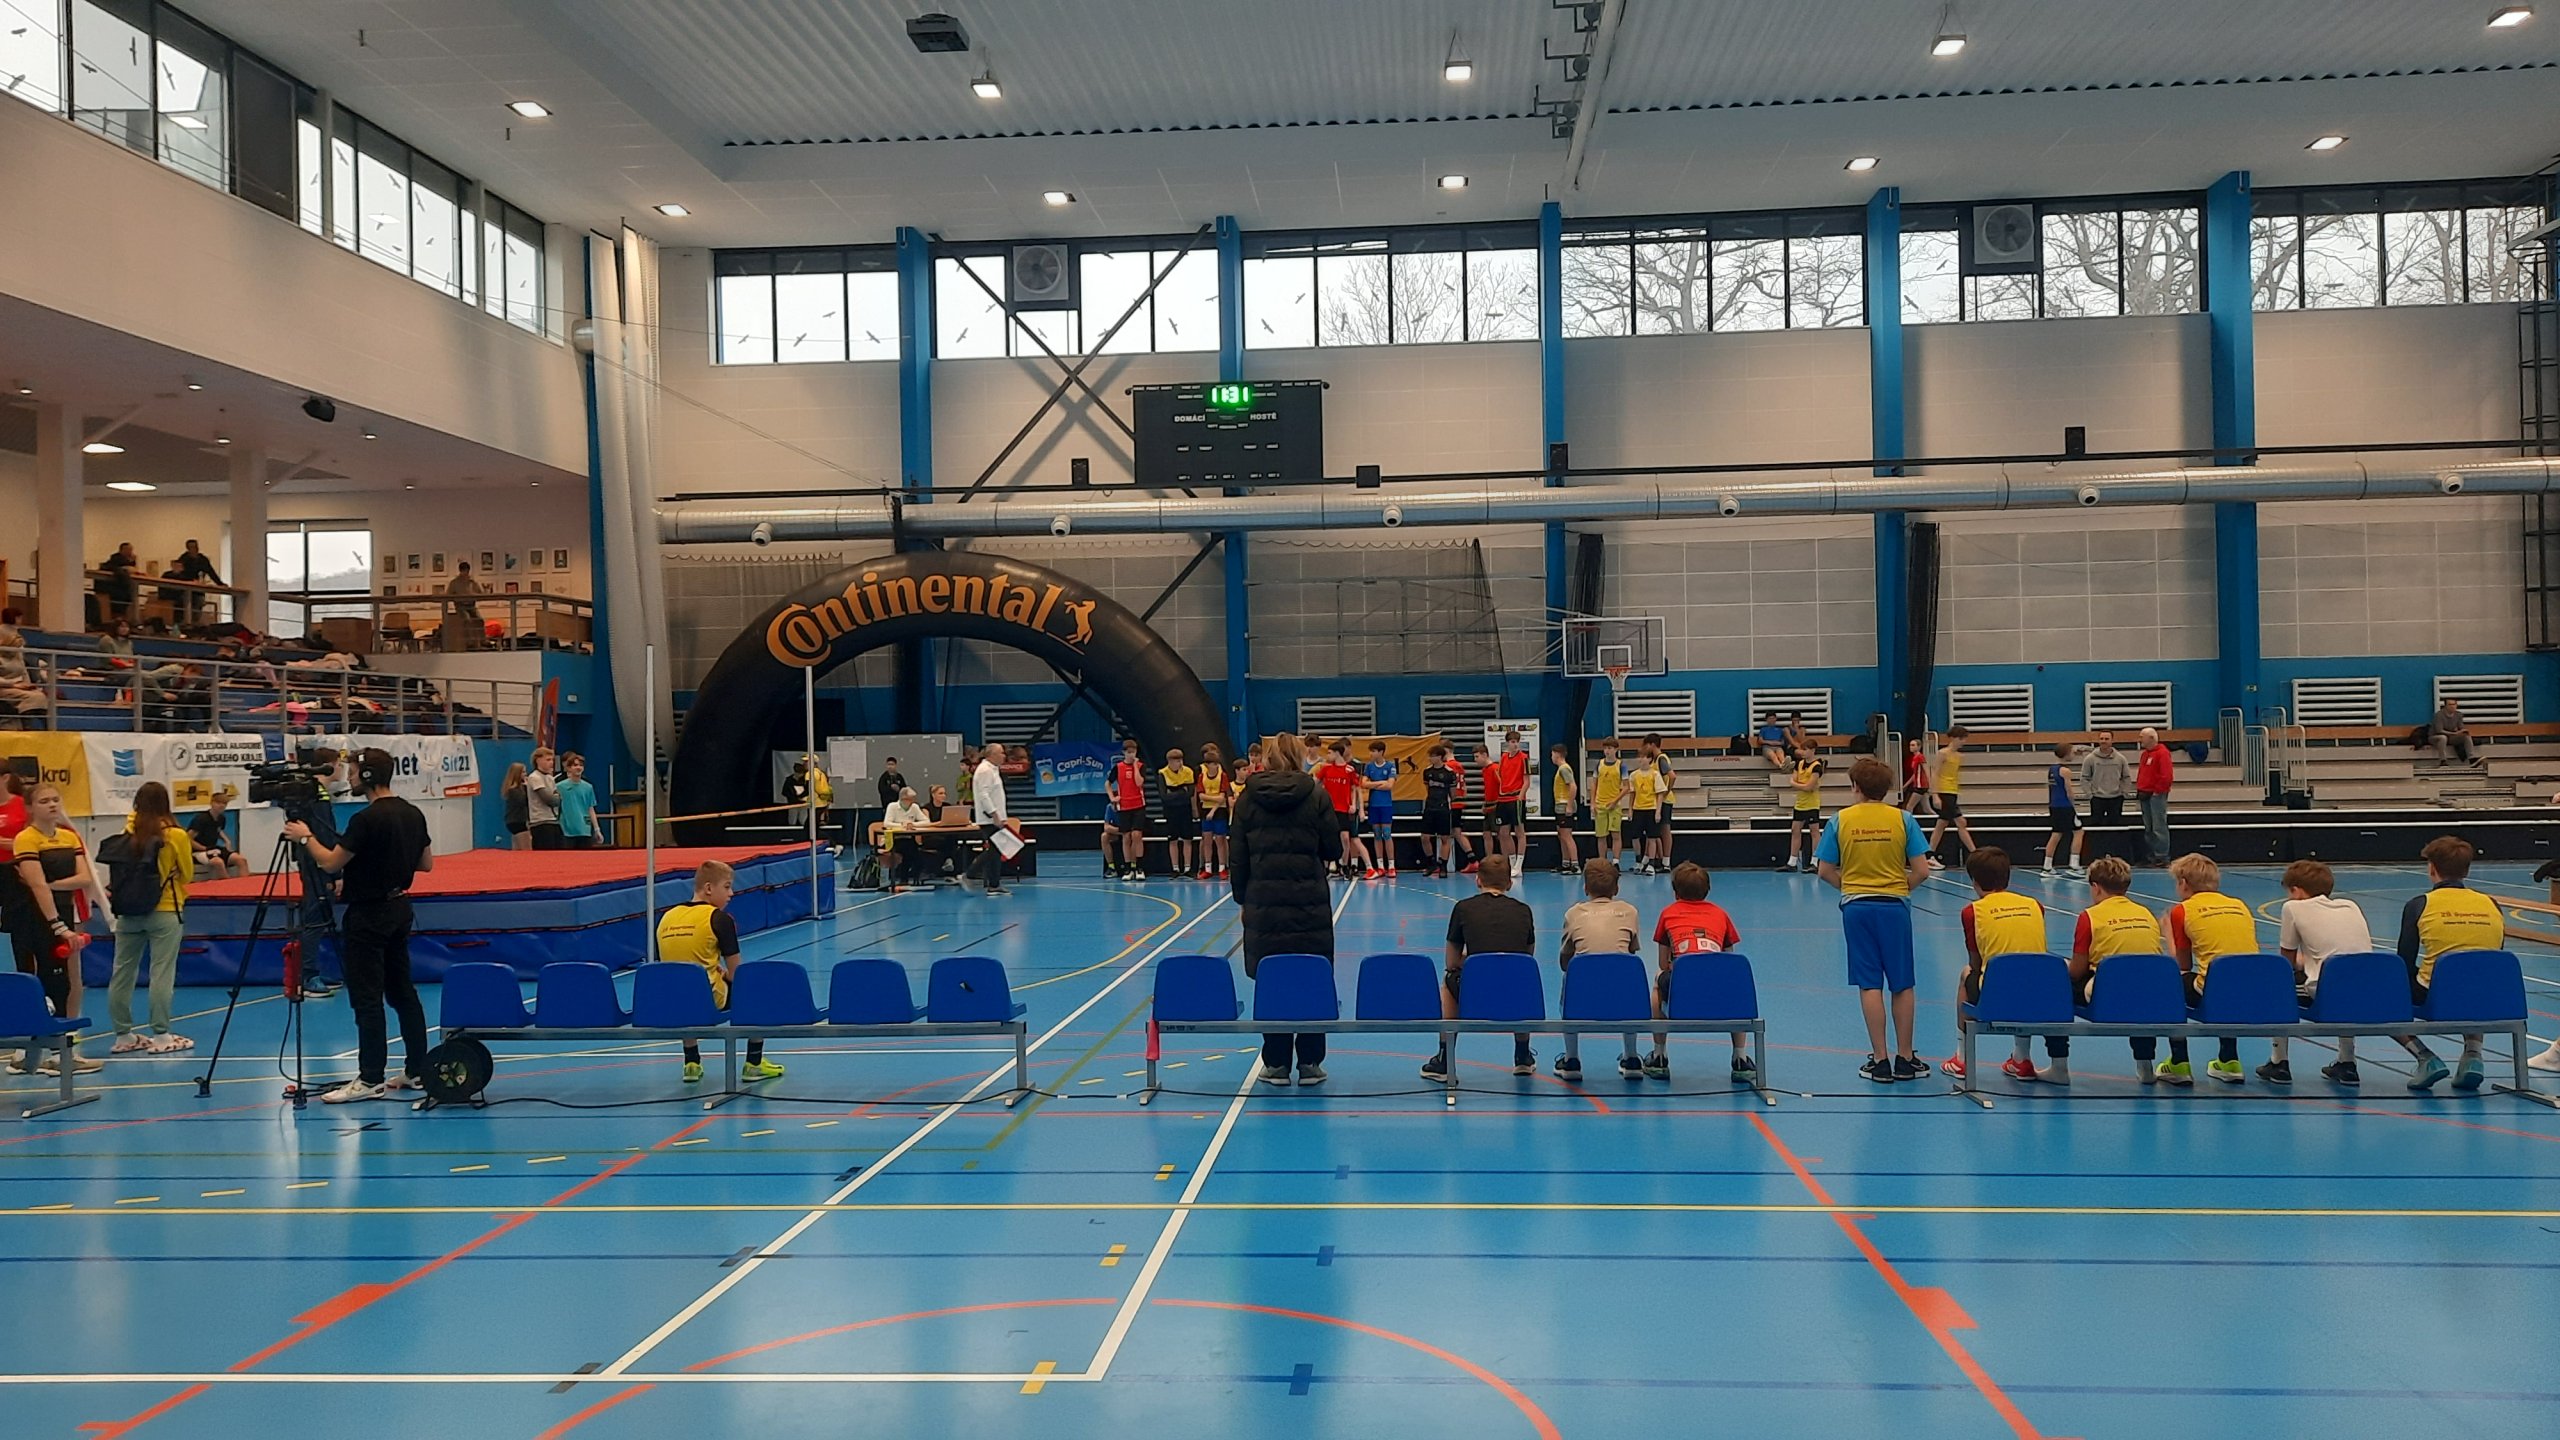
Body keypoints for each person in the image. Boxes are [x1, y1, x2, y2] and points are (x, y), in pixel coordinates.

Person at [285, 748, 433, 1104]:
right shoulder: (412, 813)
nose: (349, 778)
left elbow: (330, 862)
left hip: (368, 915)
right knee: (403, 992)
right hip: (399, 907)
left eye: (352, 772)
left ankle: (370, 1078)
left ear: (367, 775)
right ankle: (418, 1069)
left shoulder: (366, 819)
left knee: (367, 999)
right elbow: (425, 863)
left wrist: (305, 837)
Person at [1813, 756, 1932, 1084]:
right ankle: (1905, 1058)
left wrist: (1851, 887)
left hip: (1857, 908)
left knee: (1869, 983)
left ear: (1856, 787)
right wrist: (1899, 888)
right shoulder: (1903, 819)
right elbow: (1922, 870)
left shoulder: (1840, 820)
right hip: (1894, 907)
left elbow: (1824, 870)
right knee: (1902, 982)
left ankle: (1880, 1060)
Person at [1230, 732, 1340, 1084]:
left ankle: (1276, 1063)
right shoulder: (1317, 794)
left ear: (1267, 758)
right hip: (1309, 901)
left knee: (1271, 978)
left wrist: (1242, 899)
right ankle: (1310, 1062)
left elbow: (1237, 857)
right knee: (1311, 976)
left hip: (1263, 901)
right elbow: (1333, 849)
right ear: (1299, 755)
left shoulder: (1247, 799)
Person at [2391, 836, 2506, 1091]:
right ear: (2467, 870)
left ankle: (2424, 1056)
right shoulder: (2491, 903)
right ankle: (2473, 1054)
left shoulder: (2420, 904)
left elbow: (2403, 962)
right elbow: (2495, 953)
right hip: (2489, 993)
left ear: (2432, 868)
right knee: (2473, 973)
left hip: (2439, 994)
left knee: (2380, 994)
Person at [1942, 848, 2062, 1084]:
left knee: (1966, 974)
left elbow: (1975, 962)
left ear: (1974, 881)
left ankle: (1962, 1058)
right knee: (2026, 973)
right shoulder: (2035, 905)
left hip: (1998, 993)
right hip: (2039, 992)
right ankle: (2022, 1058)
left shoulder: (1972, 912)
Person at [6, 782, 103, 1072]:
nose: (52, 805)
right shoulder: (26, 839)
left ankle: (60, 1055)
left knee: (63, 984)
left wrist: (53, 887)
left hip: (61, 912)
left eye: (55, 800)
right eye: (44, 801)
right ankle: (25, 1054)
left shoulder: (69, 837)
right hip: (32, 919)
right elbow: (36, 886)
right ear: (29, 808)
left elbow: (83, 878)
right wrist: (57, 926)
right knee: (35, 982)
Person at [661, 859, 785, 1086]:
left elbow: (671, 966)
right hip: (709, 1000)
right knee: (756, 989)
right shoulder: (720, 919)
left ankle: (691, 1063)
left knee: (683, 987)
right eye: (727, 887)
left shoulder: (666, 917)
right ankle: (754, 1063)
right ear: (709, 888)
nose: (732, 893)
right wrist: (726, 975)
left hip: (671, 1002)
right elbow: (739, 976)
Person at [1423, 854, 1535, 1082]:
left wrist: (1474, 959)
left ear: (1478, 880)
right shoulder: (1524, 911)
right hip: (1513, 991)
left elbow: (1451, 962)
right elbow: (1526, 957)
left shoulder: (1463, 909)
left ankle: (1444, 1058)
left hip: (1475, 991)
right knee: (1521, 976)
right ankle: (1523, 1055)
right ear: (1509, 883)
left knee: (1448, 981)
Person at [2068, 857, 2174, 1083]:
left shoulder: (2089, 917)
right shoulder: (2146, 913)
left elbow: (2076, 971)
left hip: (2109, 995)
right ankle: (2145, 1065)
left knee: (2058, 985)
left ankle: (2056, 1059)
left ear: (2096, 887)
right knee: (2138, 986)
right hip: (2151, 994)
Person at [104, 782, 192, 1053]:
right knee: (161, 972)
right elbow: (187, 874)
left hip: (128, 911)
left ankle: (123, 1034)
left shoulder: (127, 832)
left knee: (122, 973)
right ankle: (161, 1035)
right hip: (165, 910)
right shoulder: (175, 835)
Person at [2269, 859, 2371, 1086]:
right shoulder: (2350, 906)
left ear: (2296, 891)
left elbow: (2286, 963)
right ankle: (2347, 1061)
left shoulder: (2292, 908)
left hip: (2325, 990)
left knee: (2278, 985)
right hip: (2364, 987)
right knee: (2344, 982)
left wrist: (2299, 963)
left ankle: (2279, 1062)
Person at [1650, 861, 1755, 1082]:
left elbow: (1662, 963)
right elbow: (1728, 959)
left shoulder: (1668, 914)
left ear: (1675, 892)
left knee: (1658, 981)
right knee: (1736, 986)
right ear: (1707, 890)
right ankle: (1740, 1057)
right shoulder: (1721, 914)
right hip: (1719, 988)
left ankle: (1659, 1055)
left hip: (1683, 986)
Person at [2164, 853, 2260, 1085]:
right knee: (2228, 978)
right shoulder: (2239, 905)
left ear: (2183, 883)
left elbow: (2182, 965)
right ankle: (2229, 1060)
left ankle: (2178, 1062)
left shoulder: (2182, 910)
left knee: (2169, 984)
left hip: (2216, 991)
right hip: (2253, 989)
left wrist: (2167, 934)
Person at [1553, 858, 1640, 1082]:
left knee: (1569, 978)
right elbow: (1631, 952)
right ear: (1616, 888)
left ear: (1585, 887)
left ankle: (1571, 1059)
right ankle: (1631, 1057)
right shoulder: (1630, 911)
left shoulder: (1573, 913)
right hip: (1621, 991)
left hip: (1583, 993)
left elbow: (1565, 960)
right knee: (1628, 980)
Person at [1924, 727, 1978, 869]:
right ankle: (1975, 854)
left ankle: (1929, 855)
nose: (1963, 742)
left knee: (1942, 824)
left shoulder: (1959, 756)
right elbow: (1935, 773)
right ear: (1954, 738)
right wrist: (1935, 795)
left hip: (1952, 792)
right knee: (1960, 822)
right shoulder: (1942, 753)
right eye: (1961, 739)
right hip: (1944, 792)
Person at [1317, 740, 1369, 880]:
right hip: (1328, 809)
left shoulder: (1349, 770)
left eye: (1329, 753)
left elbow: (1354, 788)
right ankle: (1327, 867)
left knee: (1345, 838)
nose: (1327, 755)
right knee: (1327, 838)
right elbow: (1315, 783)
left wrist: (1354, 805)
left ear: (1337, 753)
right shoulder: (1326, 769)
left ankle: (1344, 866)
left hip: (1343, 809)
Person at [968, 743, 1014, 896]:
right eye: (1001, 753)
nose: (1004, 756)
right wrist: (994, 814)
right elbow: (984, 795)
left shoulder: (993, 770)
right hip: (989, 818)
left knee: (996, 851)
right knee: (994, 850)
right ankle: (970, 874)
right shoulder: (985, 771)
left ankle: (994, 884)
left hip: (995, 817)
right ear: (991, 755)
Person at [2079, 731, 2134, 852]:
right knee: (2096, 828)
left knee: (2115, 828)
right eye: (2102, 738)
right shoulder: (2090, 759)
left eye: (2106, 739)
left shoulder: (2121, 759)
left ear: (2112, 741)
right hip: (2097, 799)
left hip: (2116, 798)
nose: (2104, 741)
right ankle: (2096, 851)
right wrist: (2089, 794)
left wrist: (2124, 793)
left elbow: (2126, 777)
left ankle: (2114, 852)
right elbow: (2084, 778)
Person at [1104, 738, 1149, 881]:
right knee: (1126, 836)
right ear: (1124, 752)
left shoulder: (1141, 766)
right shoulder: (1118, 767)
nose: (1131, 755)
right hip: (1124, 806)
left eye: (1133, 752)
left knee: (1137, 835)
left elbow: (1139, 782)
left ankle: (1139, 867)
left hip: (1138, 805)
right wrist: (1112, 797)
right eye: (1128, 752)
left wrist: (1135, 766)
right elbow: (1108, 783)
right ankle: (1128, 868)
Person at [2041, 741, 2086, 878]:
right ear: (2066, 754)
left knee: (2056, 834)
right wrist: (2073, 804)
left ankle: (2047, 866)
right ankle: (2074, 865)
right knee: (2079, 832)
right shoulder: (2065, 771)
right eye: (2072, 752)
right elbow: (2069, 791)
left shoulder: (2052, 769)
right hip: (2065, 806)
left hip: (2054, 806)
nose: (2073, 755)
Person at [1778, 744, 1824, 873]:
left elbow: (1808, 787)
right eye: (1802, 749)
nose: (1803, 752)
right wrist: (1802, 785)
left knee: (1814, 832)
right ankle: (1792, 862)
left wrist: (1797, 784)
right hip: (1800, 803)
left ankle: (1815, 862)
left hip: (1812, 804)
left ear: (1813, 750)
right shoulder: (1799, 764)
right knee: (1795, 830)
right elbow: (1797, 782)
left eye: (1806, 749)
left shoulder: (1817, 767)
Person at [186, 787, 247, 880]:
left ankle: (245, 884)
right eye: (218, 803)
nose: (221, 806)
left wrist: (227, 841)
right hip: (197, 852)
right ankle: (228, 885)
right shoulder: (201, 819)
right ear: (212, 803)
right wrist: (204, 848)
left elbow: (218, 830)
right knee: (218, 862)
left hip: (213, 849)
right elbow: (188, 839)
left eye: (224, 804)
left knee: (241, 860)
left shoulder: (221, 818)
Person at [2134, 727, 2175, 865]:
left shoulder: (2162, 753)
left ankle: (2162, 855)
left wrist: (2158, 790)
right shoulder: (2145, 754)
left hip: (2156, 794)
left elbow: (2166, 775)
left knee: (2158, 826)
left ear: (2151, 738)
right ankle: (2152, 854)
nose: (2140, 739)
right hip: (2145, 793)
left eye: (2142, 737)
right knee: (2149, 827)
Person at [879, 786, 933, 886]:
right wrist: (902, 825)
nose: (913, 801)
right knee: (909, 851)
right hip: (893, 839)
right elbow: (886, 823)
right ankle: (904, 878)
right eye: (911, 799)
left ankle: (912, 877)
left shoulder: (914, 807)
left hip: (908, 838)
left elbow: (926, 821)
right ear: (904, 799)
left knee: (915, 852)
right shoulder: (892, 806)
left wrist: (913, 824)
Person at [1623, 740, 1663, 876]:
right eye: (1639, 757)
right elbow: (1632, 794)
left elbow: (1660, 794)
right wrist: (1630, 810)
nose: (1641, 759)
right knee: (1635, 837)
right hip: (1638, 809)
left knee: (1652, 837)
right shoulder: (1634, 775)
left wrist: (1658, 811)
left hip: (1651, 808)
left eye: (1644, 757)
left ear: (1650, 759)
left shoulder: (1655, 775)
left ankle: (1651, 863)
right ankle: (1638, 860)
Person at [1158, 747, 1199, 881]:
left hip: (1185, 809)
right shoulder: (1162, 773)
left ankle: (1188, 868)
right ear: (1169, 761)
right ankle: (1175, 868)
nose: (1180, 763)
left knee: (1187, 839)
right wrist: (1181, 791)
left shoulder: (1188, 771)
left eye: (1181, 760)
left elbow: (1190, 792)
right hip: (1170, 810)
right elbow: (1164, 796)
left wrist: (1174, 792)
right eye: (1176, 761)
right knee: (1173, 839)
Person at [1361, 740, 1399, 879]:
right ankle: (1380, 866)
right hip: (1373, 805)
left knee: (1387, 834)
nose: (1371, 754)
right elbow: (1364, 784)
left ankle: (1391, 866)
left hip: (1385, 805)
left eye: (1373, 751)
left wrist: (1373, 784)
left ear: (1381, 752)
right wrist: (1380, 782)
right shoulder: (1369, 766)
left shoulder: (1390, 766)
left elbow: (1390, 785)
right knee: (1377, 834)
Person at [1419, 742, 1458, 878]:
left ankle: (1443, 866)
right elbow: (1427, 788)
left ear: (1440, 757)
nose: (1430, 758)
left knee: (1445, 838)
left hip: (1443, 808)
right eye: (1430, 756)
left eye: (1433, 756)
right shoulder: (1427, 772)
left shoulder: (1449, 773)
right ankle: (1431, 863)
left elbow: (1453, 793)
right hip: (1430, 807)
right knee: (1424, 837)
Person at [1490, 729, 1529, 861]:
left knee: (1519, 831)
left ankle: (1519, 863)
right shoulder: (1504, 757)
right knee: (1503, 832)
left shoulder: (1524, 758)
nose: (1515, 744)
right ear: (1507, 743)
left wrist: (1520, 797)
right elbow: (1499, 774)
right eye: (1512, 742)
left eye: (1517, 741)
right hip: (1503, 798)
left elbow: (1527, 781)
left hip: (1516, 798)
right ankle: (1511, 862)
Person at [1195, 743, 1231, 880]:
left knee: (1220, 840)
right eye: (1213, 764)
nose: (1215, 766)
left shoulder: (1223, 776)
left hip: (1219, 810)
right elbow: (1201, 796)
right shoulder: (1202, 777)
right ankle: (1207, 868)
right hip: (1205, 809)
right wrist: (1214, 798)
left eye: (1217, 764)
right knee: (1207, 839)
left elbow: (1222, 797)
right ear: (1207, 765)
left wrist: (1213, 808)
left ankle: (1222, 868)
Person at [0, 624, 49, 718]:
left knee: (40, 695)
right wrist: (13, 685)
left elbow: (24, 672)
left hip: (18, 686)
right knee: (33, 697)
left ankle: (42, 725)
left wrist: (29, 685)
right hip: (4, 687)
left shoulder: (18, 654)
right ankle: (26, 724)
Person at [1590, 739, 1625, 869]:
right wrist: (1592, 803)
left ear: (1616, 749)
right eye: (1605, 748)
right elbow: (1594, 784)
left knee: (1615, 834)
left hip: (1614, 805)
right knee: (1601, 835)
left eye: (1610, 748)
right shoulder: (1599, 764)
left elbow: (1626, 787)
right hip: (1600, 804)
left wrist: (1615, 801)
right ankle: (1602, 862)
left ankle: (1616, 862)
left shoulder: (1621, 765)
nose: (1607, 751)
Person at [172, 539, 223, 626]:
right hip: (184, 590)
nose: (193, 549)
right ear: (187, 548)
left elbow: (211, 572)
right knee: (184, 609)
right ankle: (183, 625)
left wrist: (220, 584)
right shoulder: (183, 559)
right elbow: (178, 573)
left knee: (197, 607)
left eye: (195, 547)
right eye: (191, 547)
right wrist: (189, 581)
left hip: (198, 590)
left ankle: (194, 625)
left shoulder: (202, 560)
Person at [1549, 743, 1580, 876]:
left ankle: (1575, 865)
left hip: (1564, 806)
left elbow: (1573, 786)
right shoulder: (1561, 769)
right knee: (1561, 835)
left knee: (1567, 836)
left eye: (1552, 754)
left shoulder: (1564, 769)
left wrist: (1569, 805)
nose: (1551, 757)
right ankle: (1566, 863)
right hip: (1559, 806)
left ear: (1557, 754)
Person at [557, 752, 599, 849]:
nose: (578, 768)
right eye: (575, 765)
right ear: (568, 768)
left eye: (581, 765)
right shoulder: (560, 787)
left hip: (584, 830)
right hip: (567, 831)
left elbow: (591, 809)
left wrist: (597, 829)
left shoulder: (588, 787)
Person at [525, 747, 564, 849]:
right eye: (548, 760)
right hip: (541, 822)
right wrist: (557, 797)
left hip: (553, 819)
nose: (551, 763)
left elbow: (557, 798)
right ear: (538, 760)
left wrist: (557, 797)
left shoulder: (550, 778)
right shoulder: (535, 777)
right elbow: (549, 800)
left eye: (552, 760)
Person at [96, 541, 140, 623]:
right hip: (116, 589)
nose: (130, 552)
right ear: (122, 550)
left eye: (131, 550)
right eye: (129, 550)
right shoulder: (117, 560)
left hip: (119, 589)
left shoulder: (124, 561)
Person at [2428, 697, 2477, 767]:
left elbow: (2460, 727)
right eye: (2450, 704)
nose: (2452, 706)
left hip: (2451, 737)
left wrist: (2462, 731)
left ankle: (2471, 758)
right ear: (2445, 706)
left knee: (2466, 736)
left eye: (2454, 704)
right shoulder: (2439, 715)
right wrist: (2454, 733)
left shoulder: (2458, 715)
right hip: (2435, 737)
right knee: (2443, 738)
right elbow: (2439, 730)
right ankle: (2443, 760)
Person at [446, 562, 485, 641]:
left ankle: (482, 640)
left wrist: (474, 595)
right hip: (460, 606)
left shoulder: (472, 582)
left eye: (467, 571)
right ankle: (469, 640)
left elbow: (480, 592)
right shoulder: (454, 582)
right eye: (464, 571)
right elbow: (448, 594)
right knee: (467, 620)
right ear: (460, 571)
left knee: (480, 620)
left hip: (471, 605)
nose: (465, 573)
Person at [500, 763, 531, 850]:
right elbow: (523, 801)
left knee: (517, 848)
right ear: (517, 774)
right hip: (518, 821)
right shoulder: (514, 790)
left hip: (513, 821)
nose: (526, 774)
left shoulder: (513, 789)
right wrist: (527, 788)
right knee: (526, 849)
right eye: (523, 772)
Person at [1900, 738, 1931, 815]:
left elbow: (1926, 770)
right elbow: (1915, 774)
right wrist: (1905, 785)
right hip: (1918, 785)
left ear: (1919, 746)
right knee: (1927, 809)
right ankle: (1939, 820)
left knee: (1909, 806)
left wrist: (1930, 784)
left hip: (1921, 785)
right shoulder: (1914, 758)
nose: (1911, 747)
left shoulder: (1920, 757)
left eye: (1913, 745)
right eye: (1910, 745)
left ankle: (1909, 822)